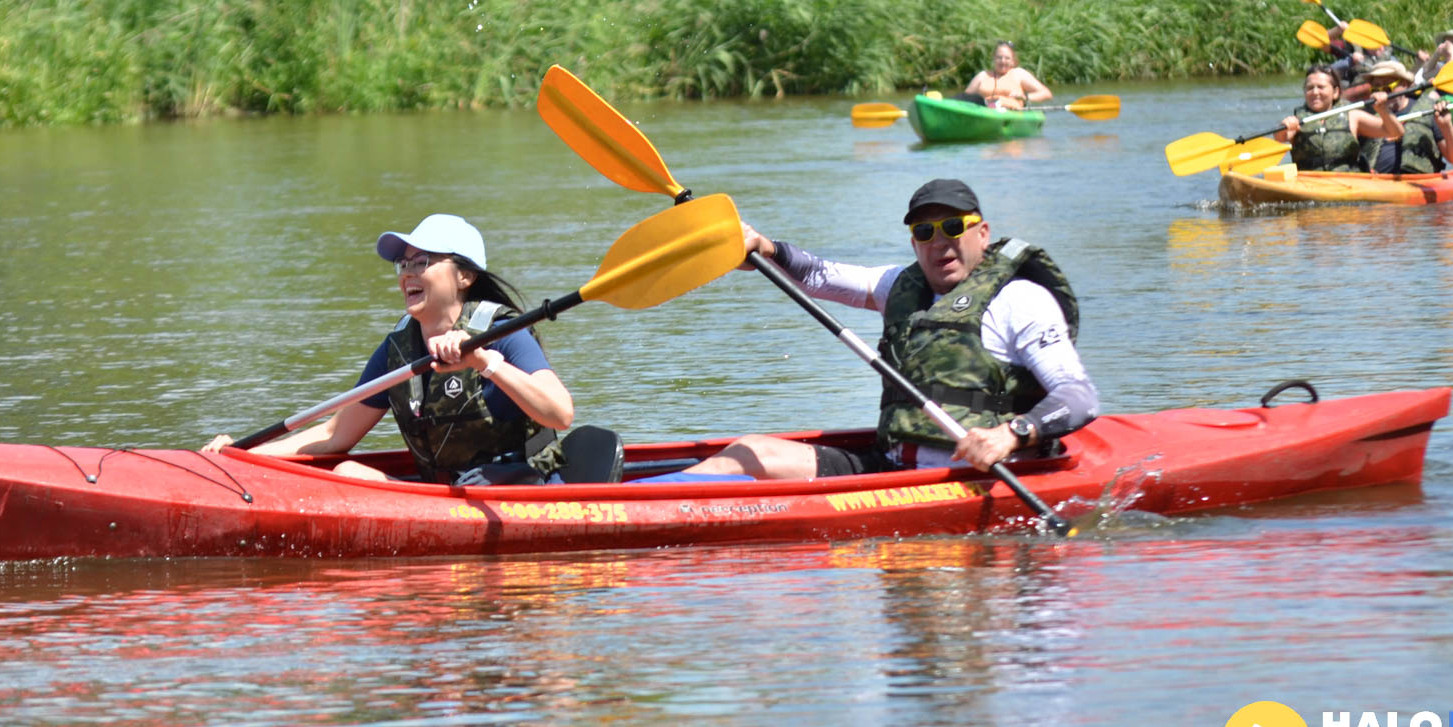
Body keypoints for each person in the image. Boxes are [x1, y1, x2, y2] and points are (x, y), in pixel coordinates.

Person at [685, 178, 1100, 480]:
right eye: (925, 232)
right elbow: (819, 275)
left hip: (981, 479)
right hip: (894, 470)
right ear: (914, 242)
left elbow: (1078, 397)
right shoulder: (900, 287)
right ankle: (629, 502)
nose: (940, 242)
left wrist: (1011, 434)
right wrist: (764, 248)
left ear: (983, 233)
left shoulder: (1020, 300)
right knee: (750, 451)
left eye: (953, 227)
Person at [202, 214, 596, 484]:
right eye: (402, 265)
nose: (407, 272)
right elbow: (333, 434)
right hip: (446, 495)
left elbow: (560, 413)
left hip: (522, 490)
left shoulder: (503, 333)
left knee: (350, 476)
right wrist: (242, 454)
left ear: (465, 275)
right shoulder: (398, 349)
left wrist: (485, 363)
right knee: (350, 473)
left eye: (422, 261)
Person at [1276, 64, 1403, 172]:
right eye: (1310, 88)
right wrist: (1283, 128)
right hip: (1309, 182)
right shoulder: (1297, 119)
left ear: (1335, 92)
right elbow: (1279, 139)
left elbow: (1395, 131)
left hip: (1348, 182)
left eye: (1321, 87)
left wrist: (1382, 109)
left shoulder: (1352, 115)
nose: (1315, 92)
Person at [1360, 59, 1453, 175]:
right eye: (1376, 88)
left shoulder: (1429, 110)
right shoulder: (1367, 115)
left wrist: (1447, 126)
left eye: (1387, 87)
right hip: (1376, 183)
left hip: (1417, 182)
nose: (1382, 94)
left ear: (1404, 85)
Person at [962, 41, 1053, 110]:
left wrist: (1024, 97)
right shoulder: (983, 75)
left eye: (1007, 58)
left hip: (1011, 111)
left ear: (1013, 61)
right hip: (985, 110)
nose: (1003, 61)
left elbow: (1046, 93)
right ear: (993, 58)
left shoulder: (1019, 74)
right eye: (999, 57)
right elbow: (964, 98)